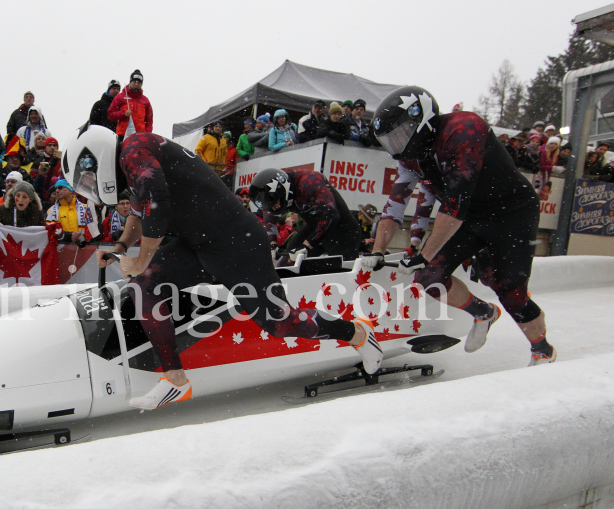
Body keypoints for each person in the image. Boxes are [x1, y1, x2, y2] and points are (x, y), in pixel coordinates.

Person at [63, 125, 381, 410]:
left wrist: (141, 258)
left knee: (281, 324)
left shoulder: (134, 149)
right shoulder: (134, 161)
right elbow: (138, 212)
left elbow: (155, 203)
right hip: (199, 244)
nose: (91, 185)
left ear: (96, 157)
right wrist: (119, 249)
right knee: (145, 284)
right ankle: (175, 379)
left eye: (88, 177)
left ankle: (357, 333)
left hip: (236, 243)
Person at [366, 86, 555, 366]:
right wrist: (378, 250)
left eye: (400, 135)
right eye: (390, 140)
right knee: (429, 277)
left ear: (423, 121)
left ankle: (542, 350)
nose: (398, 145)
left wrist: (423, 253)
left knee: (510, 291)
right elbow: (396, 203)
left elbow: (454, 204)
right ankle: (483, 313)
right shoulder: (410, 157)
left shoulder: (463, 129)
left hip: (511, 213)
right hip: (472, 216)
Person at [251, 167, 363, 260]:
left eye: (274, 204)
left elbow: (331, 215)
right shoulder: (272, 196)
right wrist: (273, 244)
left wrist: (307, 245)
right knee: (289, 260)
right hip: (314, 227)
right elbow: (269, 219)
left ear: (282, 191)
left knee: (341, 275)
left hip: (342, 231)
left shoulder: (309, 182)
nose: (273, 209)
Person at [45, 178, 98, 244]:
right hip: (60, 249)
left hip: (84, 248)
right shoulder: (50, 211)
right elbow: (49, 231)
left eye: (60, 188)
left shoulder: (86, 208)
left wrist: (83, 237)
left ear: (70, 190)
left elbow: (96, 231)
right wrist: (69, 236)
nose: (57, 191)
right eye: (56, 189)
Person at [107, 70, 152, 137]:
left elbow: (149, 120)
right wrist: (123, 114)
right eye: (134, 82)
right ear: (130, 82)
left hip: (140, 137)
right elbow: (110, 115)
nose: (136, 84)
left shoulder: (145, 100)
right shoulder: (120, 97)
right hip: (122, 135)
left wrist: (147, 134)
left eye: (139, 82)